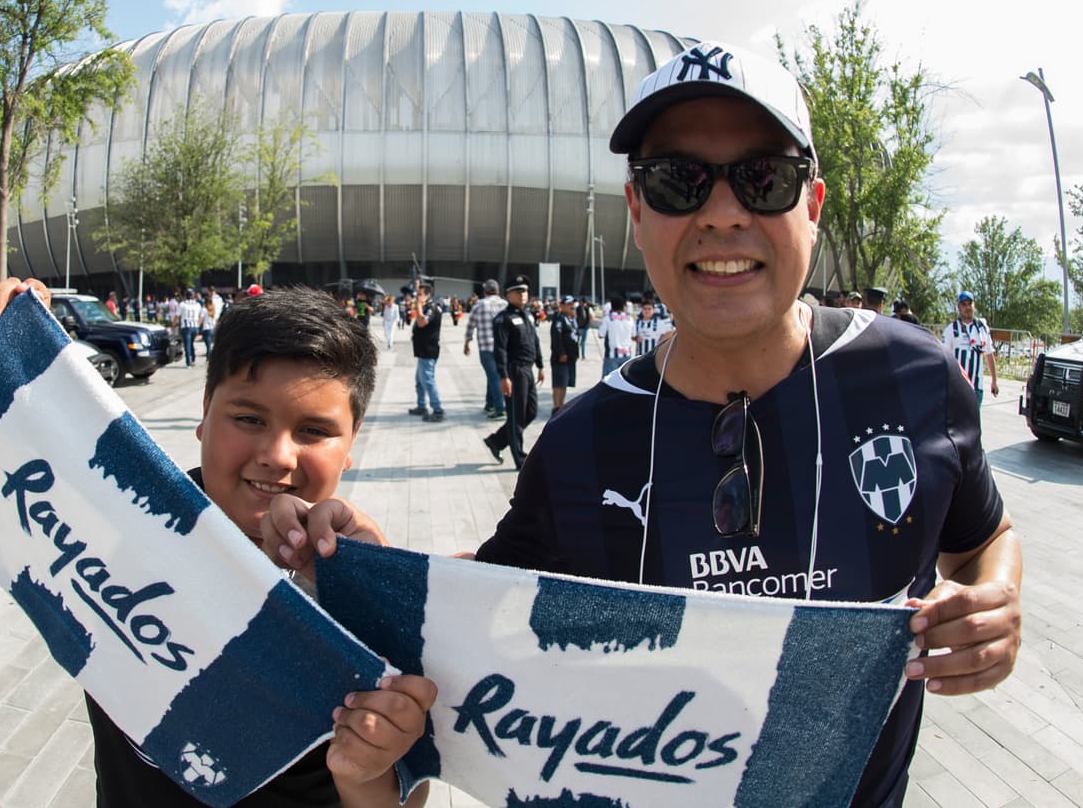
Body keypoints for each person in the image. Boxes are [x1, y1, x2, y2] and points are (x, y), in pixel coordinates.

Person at [269, 40, 1022, 807]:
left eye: (764, 179)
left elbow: (985, 535)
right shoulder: (578, 447)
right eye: (678, 182)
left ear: (814, 205)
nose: (723, 214)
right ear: (636, 211)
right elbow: (485, 603)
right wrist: (372, 568)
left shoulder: (913, 378)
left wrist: (994, 597)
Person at [0, 278, 435, 808]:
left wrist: (367, 774)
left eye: (314, 432)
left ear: (351, 446)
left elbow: (409, 790)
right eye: (248, 418)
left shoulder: (372, 598)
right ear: (204, 413)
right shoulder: (125, 515)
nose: (277, 454)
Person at [482, 275, 544, 469]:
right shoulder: (503, 319)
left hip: (528, 369)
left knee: (531, 412)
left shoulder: (527, 315)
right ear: (508, 295)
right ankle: (520, 459)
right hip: (514, 370)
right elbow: (499, 350)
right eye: (518, 291)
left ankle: (497, 441)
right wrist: (504, 376)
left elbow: (535, 341)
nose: (523, 295)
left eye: (524, 291)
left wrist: (541, 365)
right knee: (516, 415)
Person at [942, 290, 999, 404]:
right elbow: (944, 358)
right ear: (959, 307)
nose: (967, 308)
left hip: (976, 387)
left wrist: (994, 381)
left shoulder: (982, 328)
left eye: (970, 304)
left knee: (974, 420)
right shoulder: (951, 330)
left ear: (974, 305)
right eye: (964, 305)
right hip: (958, 387)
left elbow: (989, 354)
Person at [463, 278, 507, 420]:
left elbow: (471, 325)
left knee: (494, 377)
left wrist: (467, 343)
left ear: (485, 291)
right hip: (504, 347)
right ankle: (490, 404)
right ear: (498, 291)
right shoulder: (505, 304)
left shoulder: (479, 305)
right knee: (494, 375)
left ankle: (500, 408)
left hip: (486, 347)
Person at [407, 278, 445, 422]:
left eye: (419, 294)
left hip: (428, 351)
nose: (417, 297)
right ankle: (422, 406)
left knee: (428, 381)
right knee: (419, 380)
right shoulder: (427, 306)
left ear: (427, 295)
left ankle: (438, 410)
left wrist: (417, 305)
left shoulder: (431, 308)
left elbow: (422, 322)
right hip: (423, 351)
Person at [548, 294, 578, 417]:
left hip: (570, 358)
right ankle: (556, 407)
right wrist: (561, 353)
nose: (572, 307)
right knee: (558, 384)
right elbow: (557, 338)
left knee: (564, 383)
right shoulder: (559, 319)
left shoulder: (571, 318)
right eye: (569, 305)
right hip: (561, 357)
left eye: (573, 304)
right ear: (563, 306)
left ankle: (561, 405)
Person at [598, 295, 634, 375]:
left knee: (609, 381)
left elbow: (601, 334)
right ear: (623, 306)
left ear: (611, 306)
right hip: (626, 354)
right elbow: (634, 335)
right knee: (623, 381)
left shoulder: (608, 318)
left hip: (612, 355)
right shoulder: (629, 318)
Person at [179, 288, 204, 367]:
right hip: (195, 326)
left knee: (187, 344)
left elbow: (177, 315)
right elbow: (201, 316)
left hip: (186, 326)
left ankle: (188, 362)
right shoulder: (197, 304)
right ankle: (193, 358)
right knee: (191, 343)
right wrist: (198, 325)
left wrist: (173, 323)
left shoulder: (182, 304)